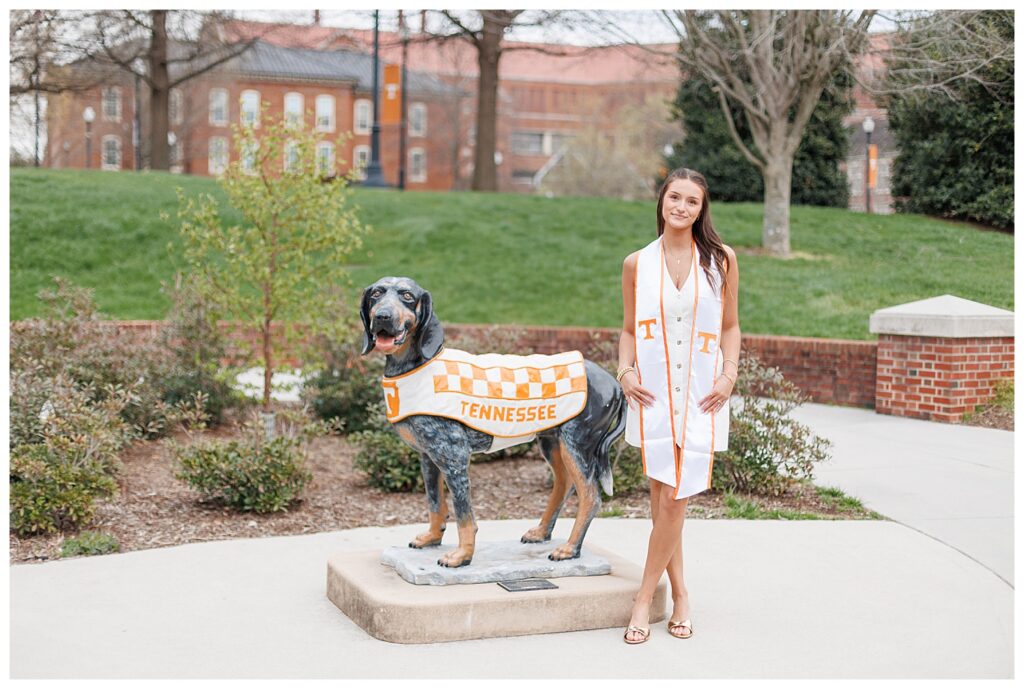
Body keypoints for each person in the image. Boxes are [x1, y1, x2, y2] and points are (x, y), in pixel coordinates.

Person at [617, 167, 740, 644]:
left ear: (701, 208)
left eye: (692, 201)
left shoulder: (721, 261)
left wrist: (729, 375)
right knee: (661, 499)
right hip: (651, 395)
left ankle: (644, 600)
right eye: (675, 197)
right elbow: (628, 329)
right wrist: (625, 373)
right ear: (662, 200)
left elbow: (730, 326)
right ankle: (682, 593)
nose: (682, 207)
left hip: (702, 396)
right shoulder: (636, 263)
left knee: (674, 498)